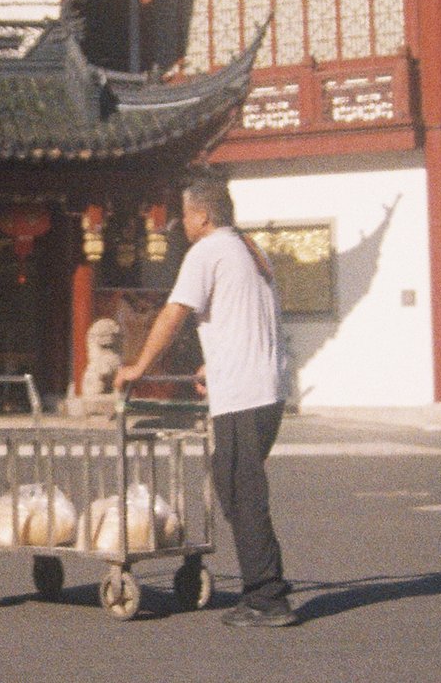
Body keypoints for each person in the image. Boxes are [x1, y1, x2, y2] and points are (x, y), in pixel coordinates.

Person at [116, 173, 294, 627]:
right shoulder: (251, 250)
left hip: (245, 393)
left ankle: (267, 597)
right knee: (230, 480)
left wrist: (138, 366)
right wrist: (212, 367)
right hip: (264, 387)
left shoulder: (208, 250)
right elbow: (247, 319)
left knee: (242, 489)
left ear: (204, 215)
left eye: (186, 214)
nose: (182, 223)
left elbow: (175, 313)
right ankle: (265, 585)